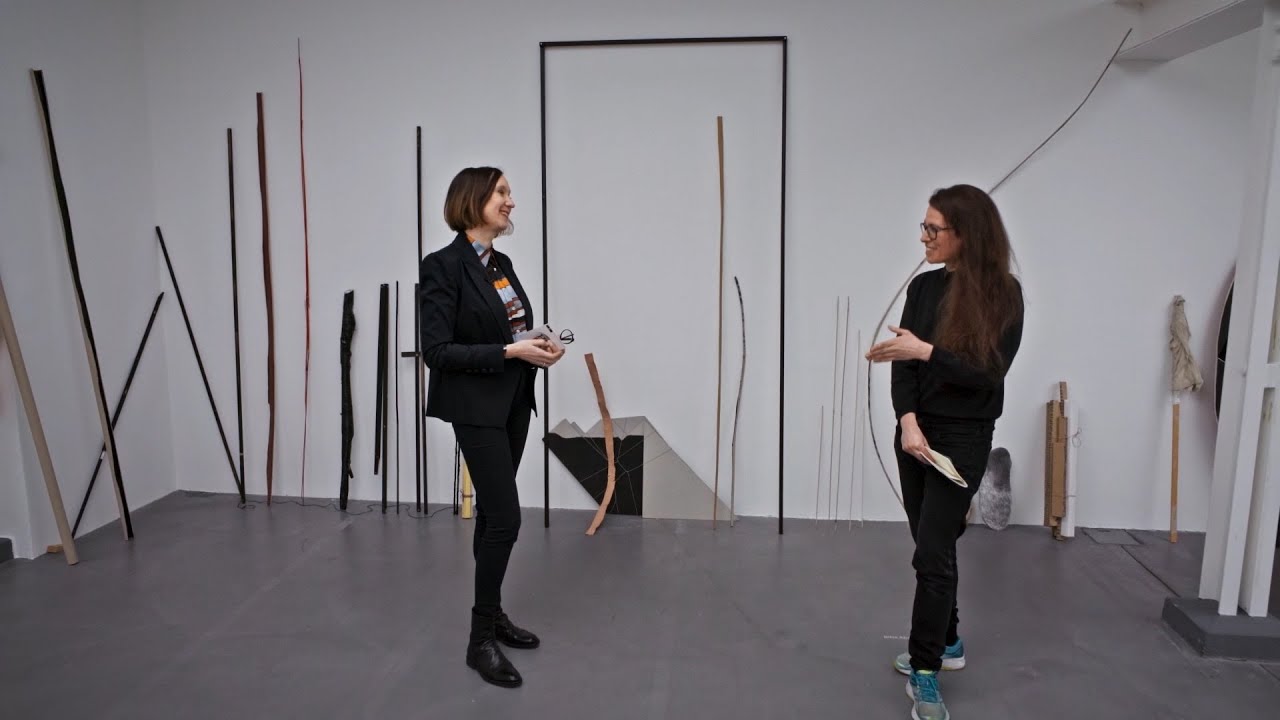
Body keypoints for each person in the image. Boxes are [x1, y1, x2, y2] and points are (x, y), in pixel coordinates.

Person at [866, 184, 1024, 720]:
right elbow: (903, 365)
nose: (924, 237)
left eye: (934, 229)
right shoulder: (924, 287)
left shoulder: (1004, 295)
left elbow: (988, 373)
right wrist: (907, 422)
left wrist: (926, 349)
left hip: (964, 438)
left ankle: (926, 668)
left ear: (966, 234)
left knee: (932, 553)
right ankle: (949, 640)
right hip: (916, 435)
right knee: (931, 545)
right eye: (925, 226)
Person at [419, 166, 564, 688]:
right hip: (476, 408)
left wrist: (539, 345)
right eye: (501, 192)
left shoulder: (501, 264)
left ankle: (494, 613)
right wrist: (509, 351)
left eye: (509, 192)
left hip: (513, 402)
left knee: (489, 516)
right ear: (473, 199)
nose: (511, 201)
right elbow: (437, 351)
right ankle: (479, 641)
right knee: (505, 518)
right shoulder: (442, 266)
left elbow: (511, 331)